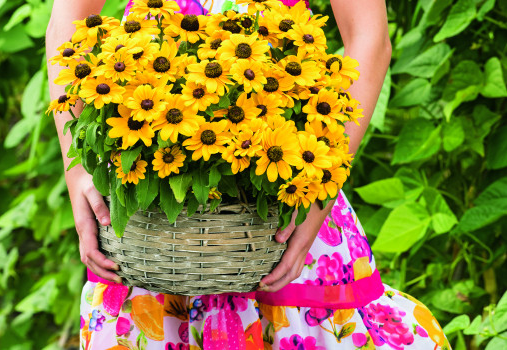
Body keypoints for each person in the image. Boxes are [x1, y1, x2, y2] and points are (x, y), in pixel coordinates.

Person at [46, 0, 450, 349]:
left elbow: (369, 35)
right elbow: (67, 19)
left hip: (289, 212)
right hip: (149, 231)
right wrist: (78, 170)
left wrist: (318, 191)